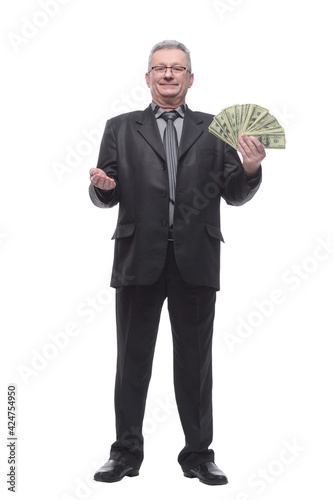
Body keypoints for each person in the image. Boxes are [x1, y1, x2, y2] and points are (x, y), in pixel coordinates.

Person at [89, 40, 266, 486]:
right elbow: (103, 191)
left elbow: (234, 194)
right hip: (137, 258)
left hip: (196, 260)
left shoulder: (217, 128)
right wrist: (105, 187)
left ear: (191, 77)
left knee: (195, 362)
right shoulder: (121, 127)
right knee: (132, 361)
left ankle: (199, 455)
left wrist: (248, 168)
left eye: (177, 68)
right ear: (147, 77)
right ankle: (125, 453)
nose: (168, 75)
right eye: (160, 68)